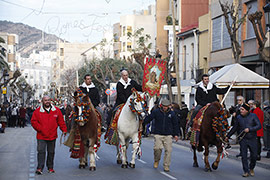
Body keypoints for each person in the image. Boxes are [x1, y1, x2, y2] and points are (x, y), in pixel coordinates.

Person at [31, 95, 67, 175]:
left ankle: (50, 167)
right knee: (41, 151)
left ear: (50, 101)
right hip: (41, 136)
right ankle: (40, 168)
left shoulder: (56, 110)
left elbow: (61, 121)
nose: (47, 102)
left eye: (48, 100)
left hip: (52, 135)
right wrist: (40, 129)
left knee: (51, 152)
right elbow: (33, 122)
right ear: (42, 101)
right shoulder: (37, 111)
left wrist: (64, 130)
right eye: (45, 100)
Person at [144, 99, 179, 172]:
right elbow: (149, 118)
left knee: (168, 150)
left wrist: (176, 134)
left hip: (168, 134)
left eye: (166, 106)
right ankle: (156, 160)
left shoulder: (172, 114)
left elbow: (175, 124)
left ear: (169, 106)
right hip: (158, 134)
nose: (165, 107)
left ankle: (166, 165)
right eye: (163, 106)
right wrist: (142, 124)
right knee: (157, 149)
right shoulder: (156, 112)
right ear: (161, 105)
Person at [226, 103, 261, 177]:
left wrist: (250, 129)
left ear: (247, 110)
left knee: (254, 156)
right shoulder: (238, 117)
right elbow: (234, 128)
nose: (240, 111)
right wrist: (228, 136)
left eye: (242, 109)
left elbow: (259, 126)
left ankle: (251, 168)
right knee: (244, 156)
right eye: (240, 109)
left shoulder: (253, 116)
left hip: (252, 138)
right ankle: (246, 171)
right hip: (243, 139)